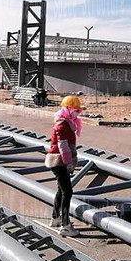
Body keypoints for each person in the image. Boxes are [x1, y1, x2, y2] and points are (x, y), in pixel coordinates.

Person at [44, 95, 83, 237]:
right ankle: (65, 225)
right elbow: (63, 147)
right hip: (58, 161)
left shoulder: (67, 123)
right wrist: (69, 164)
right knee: (68, 192)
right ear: (67, 109)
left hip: (61, 161)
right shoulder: (62, 125)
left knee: (61, 191)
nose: (77, 113)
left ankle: (55, 218)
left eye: (79, 111)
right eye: (75, 110)